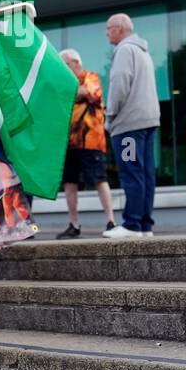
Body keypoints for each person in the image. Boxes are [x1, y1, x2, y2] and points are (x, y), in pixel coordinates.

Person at [103, 15, 161, 238]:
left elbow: (120, 82)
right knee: (145, 174)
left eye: (108, 29)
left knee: (131, 172)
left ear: (119, 29)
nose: (107, 33)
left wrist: (110, 114)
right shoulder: (142, 51)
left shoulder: (125, 50)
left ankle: (132, 224)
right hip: (148, 121)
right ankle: (145, 225)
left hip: (128, 125)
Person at [55, 48, 115, 239]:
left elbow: (87, 93)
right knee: (70, 183)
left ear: (76, 62)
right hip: (69, 142)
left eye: (65, 64)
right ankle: (74, 224)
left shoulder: (91, 76)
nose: (63, 69)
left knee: (99, 179)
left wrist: (70, 91)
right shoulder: (65, 82)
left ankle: (111, 221)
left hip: (91, 140)